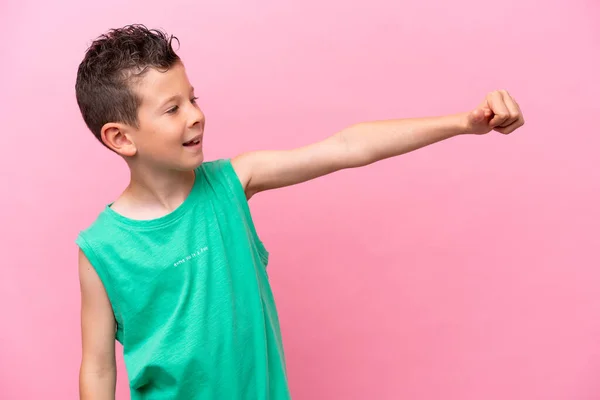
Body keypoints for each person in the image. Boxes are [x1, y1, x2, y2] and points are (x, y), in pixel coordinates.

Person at [75, 24, 524, 400]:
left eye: (194, 98)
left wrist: (465, 123)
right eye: (172, 109)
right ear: (121, 138)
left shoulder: (232, 183)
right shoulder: (101, 249)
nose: (195, 116)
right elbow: (97, 369)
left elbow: (347, 147)